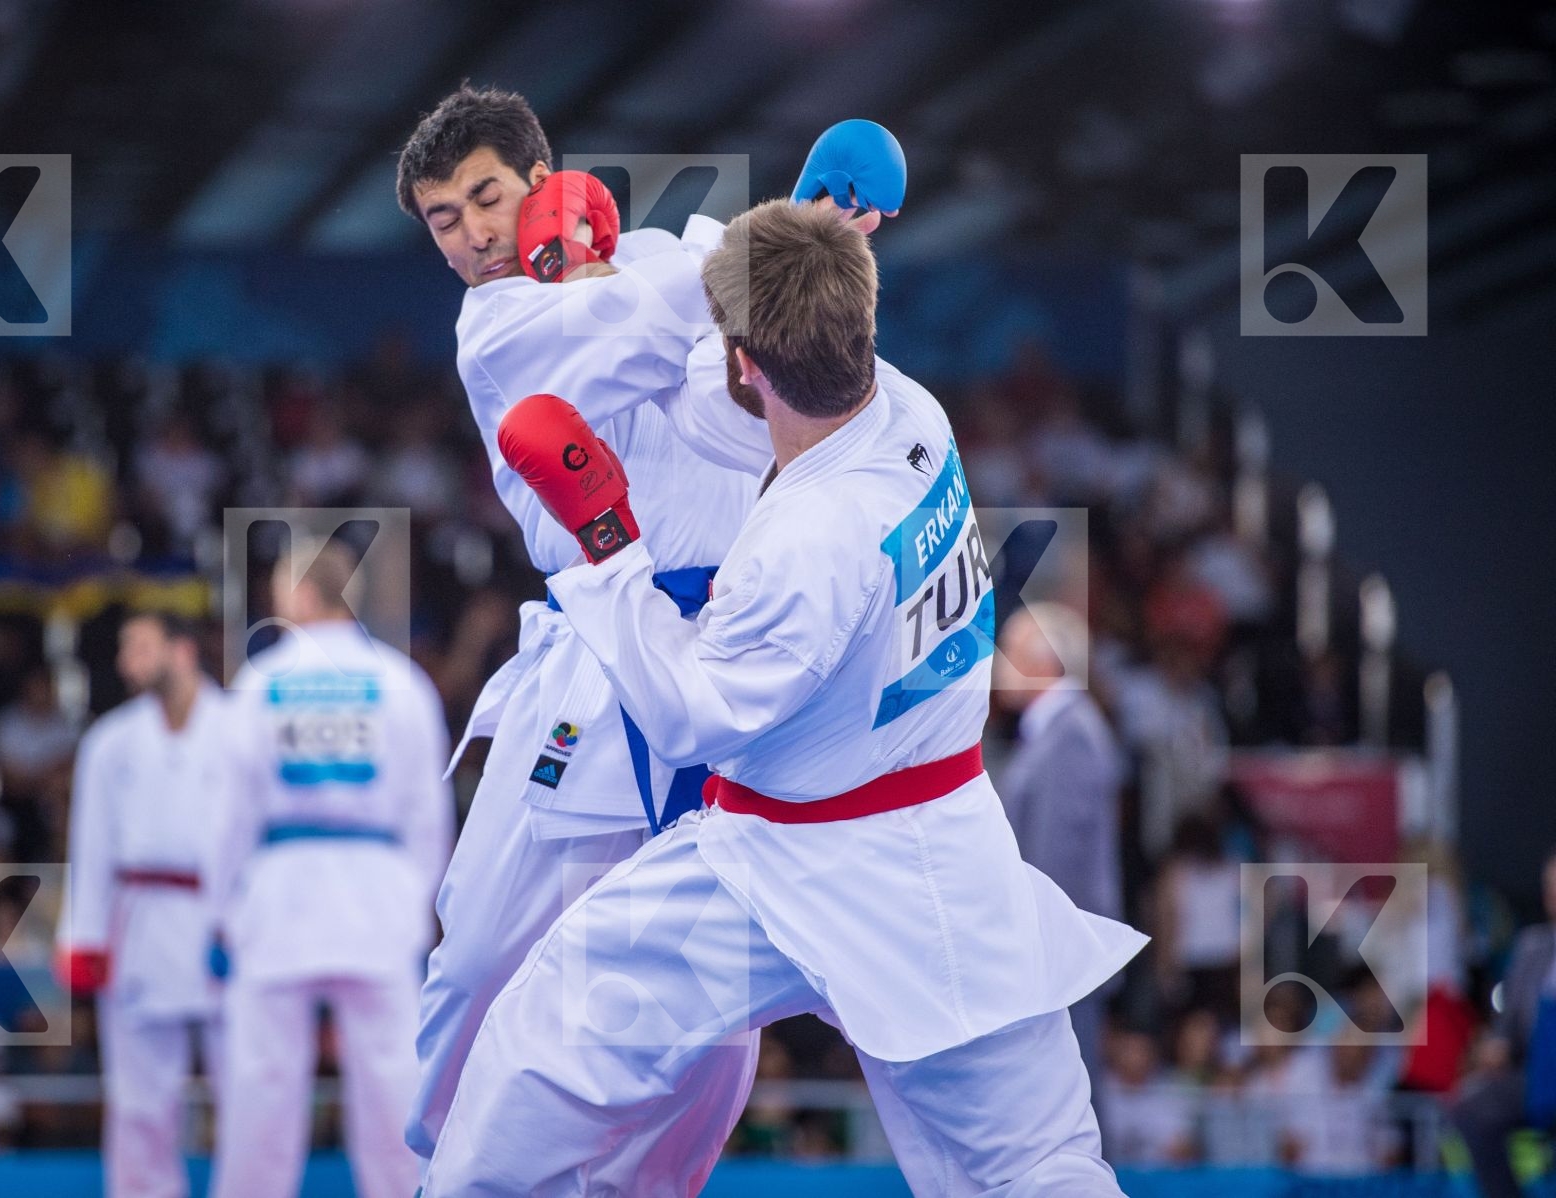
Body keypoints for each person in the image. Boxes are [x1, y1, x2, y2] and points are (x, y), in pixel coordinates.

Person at [422, 200, 1147, 1196]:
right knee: (1038, 1162)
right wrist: (798, 229)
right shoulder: (915, 415)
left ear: (742, 367)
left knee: (535, 1053)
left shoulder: (799, 543)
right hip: (941, 850)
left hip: (780, 851)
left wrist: (605, 547)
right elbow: (804, 320)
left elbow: (684, 716)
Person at [393, 87, 900, 1182]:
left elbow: (757, 399)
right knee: (481, 949)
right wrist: (781, 238)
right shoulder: (498, 326)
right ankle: (441, 1162)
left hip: (723, 654)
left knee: (705, 1006)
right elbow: (619, 331)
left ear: (540, 177)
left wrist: (797, 256)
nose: (472, 231)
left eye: (486, 197)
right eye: (443, 218)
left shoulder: (675, 255)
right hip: (592, 650)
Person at [206, 544, 453, 1198]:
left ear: (301, 595)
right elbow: (429, 810)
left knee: (261, 1085)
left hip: (280, 893)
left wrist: (221, 910)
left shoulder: (261, 683)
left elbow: (230, 813)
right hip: (379, 894)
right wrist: (417, 904)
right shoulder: (401, 681)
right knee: (394, 1083)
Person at [54, 613, 234, 1198]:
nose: (127, 660)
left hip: (225, 921)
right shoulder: (110, 741)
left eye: (141, 646)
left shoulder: (239, 728)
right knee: (140, 1100)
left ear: (182, 650)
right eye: (125, 649)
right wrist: (84, 939)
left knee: (249, 1092)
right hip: (141, 919)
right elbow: (91, 843)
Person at [993, 601, 1126, 1093]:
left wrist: (1030, 951)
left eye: (1007, 652)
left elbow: (1054, 862)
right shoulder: (1059, 731)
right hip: (1057, 952)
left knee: (1071, 1099)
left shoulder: (1070, 735)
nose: (996, 666)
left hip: (1061, 955)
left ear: (1042, 662)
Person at [1451, 845, 1556, 1198]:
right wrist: (1496, 1048)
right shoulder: (1532, 946)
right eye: (1548, 888)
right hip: (1535, 1076)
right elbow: (1509, 1027)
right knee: (1473, 1106)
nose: (1552, 897)